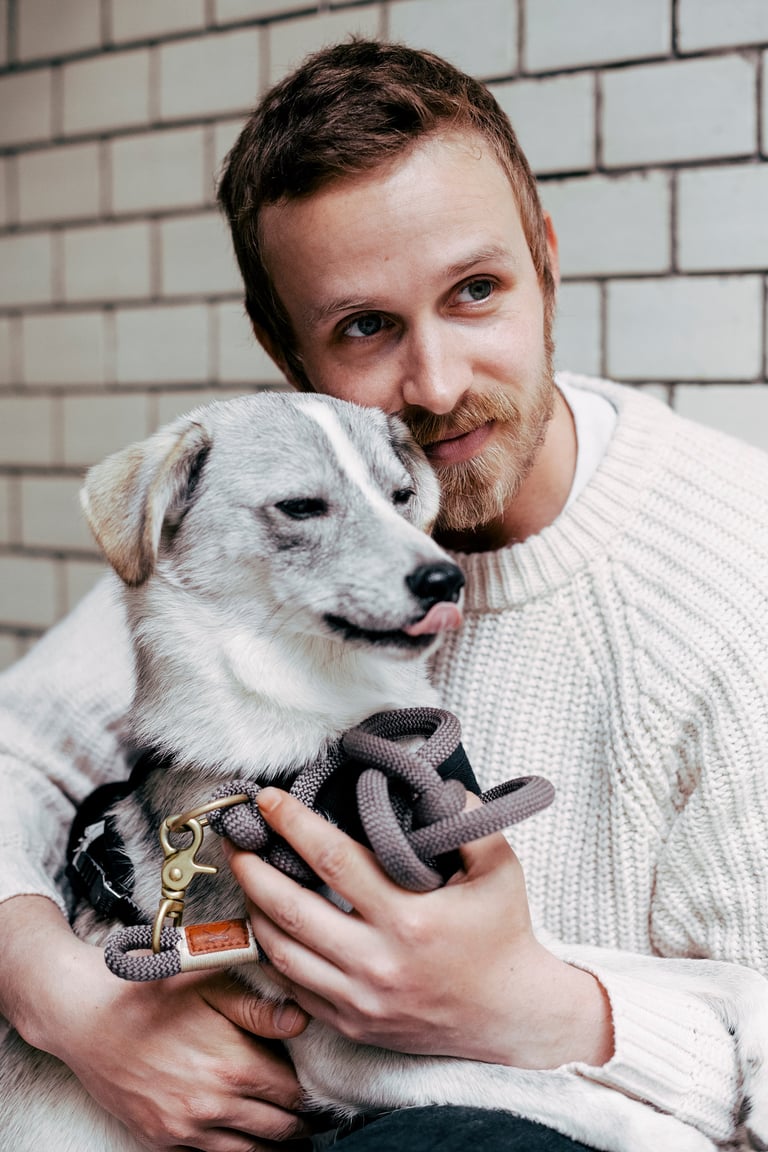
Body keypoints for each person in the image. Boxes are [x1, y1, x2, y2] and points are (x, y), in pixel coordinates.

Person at [1, 37, 768, 1152]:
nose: (438, 387)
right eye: (365, 326)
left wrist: (538, 1011)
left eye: (476, 291)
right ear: (285, 353)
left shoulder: (736, 575)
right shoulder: (250, 568)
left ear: (546, 263)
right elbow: (12, 759)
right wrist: (77, 1011)